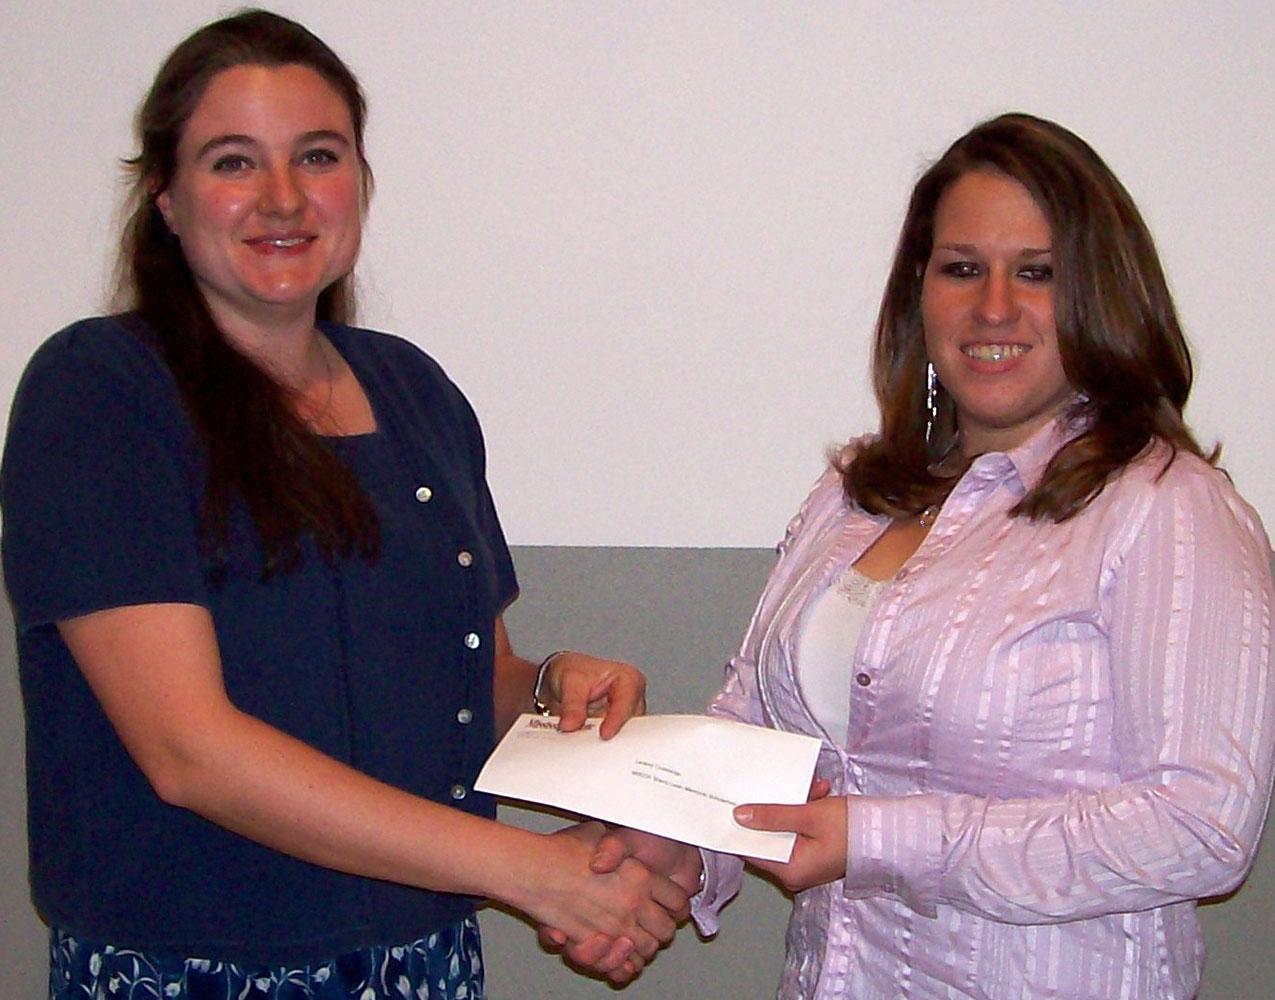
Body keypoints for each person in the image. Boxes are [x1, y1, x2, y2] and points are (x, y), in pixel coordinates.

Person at [0, 10, 686, 999]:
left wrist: (548, 690)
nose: (282, 196)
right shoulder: (101, 391)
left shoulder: (416, 392)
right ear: (165, 196)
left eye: (316, 155)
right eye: (233, 162)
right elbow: (189, 751)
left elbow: (470, 682)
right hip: (193, 971)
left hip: (423, 961)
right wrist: (539, 876)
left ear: (359, 181)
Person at [554, 113, 1275, 998]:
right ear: (918, 294)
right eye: (961, 268)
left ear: (1102, 297)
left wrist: (880, 839)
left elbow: (1200, 826)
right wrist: (669, 849)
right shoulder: (855, 492)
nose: (994, 306)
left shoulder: (1167, 509)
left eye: (1038, 273)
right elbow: (758, 724)